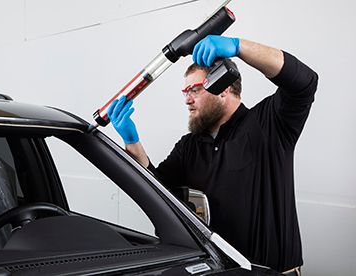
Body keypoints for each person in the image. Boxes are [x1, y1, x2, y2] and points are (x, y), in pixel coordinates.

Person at [108, 35, 318, 275]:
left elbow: (305, 82)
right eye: (185, 92)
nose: (187, 100)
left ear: (224, 87)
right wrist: (131, 141)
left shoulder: (268, 125)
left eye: (194, 90)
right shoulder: (190, 146)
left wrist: (238, 47)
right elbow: (157, 192)